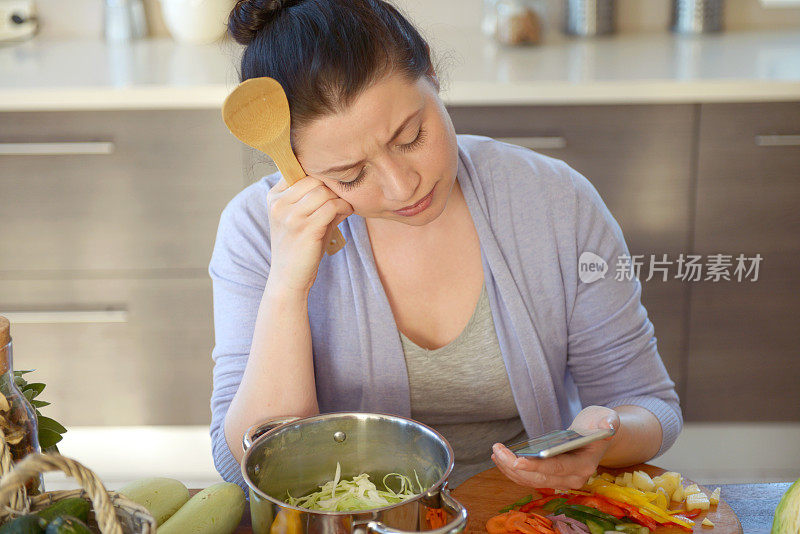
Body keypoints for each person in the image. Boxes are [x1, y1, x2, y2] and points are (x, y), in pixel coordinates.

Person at [210, 0, 682, 491]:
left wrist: (604, 436)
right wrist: (287, 285)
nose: (401, 186)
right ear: (295, 166)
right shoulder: (253, 231)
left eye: (411, 137)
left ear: (432, 74)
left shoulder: (554, 201)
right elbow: (240, 464)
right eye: (349, 176)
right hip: (355, 519)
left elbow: (650, 405)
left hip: (523, 511)